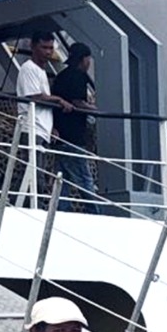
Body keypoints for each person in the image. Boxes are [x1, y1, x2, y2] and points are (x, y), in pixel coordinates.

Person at [50, 41, 99, 209]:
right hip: (73, 137)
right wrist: (97, 110)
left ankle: (61, 211)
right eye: (88, 59)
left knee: (62, 180)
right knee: (84, 179)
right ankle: (95, 212)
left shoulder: (61, 77)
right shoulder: (78, 76)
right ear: (84, 59)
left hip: (60, 135)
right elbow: (78, 102)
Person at [14, 33, 58, 200]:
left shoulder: (40, 71)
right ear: (33, 47)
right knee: (34, 174)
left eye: (50, 48)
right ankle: (26, 205)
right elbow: (34, 97)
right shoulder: (29, 68)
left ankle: (21, 203)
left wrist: (52, 127)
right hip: (32, 128)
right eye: (44, 47)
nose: (48, 52)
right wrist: (59, 100)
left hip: (42, 129)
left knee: (35, 173)